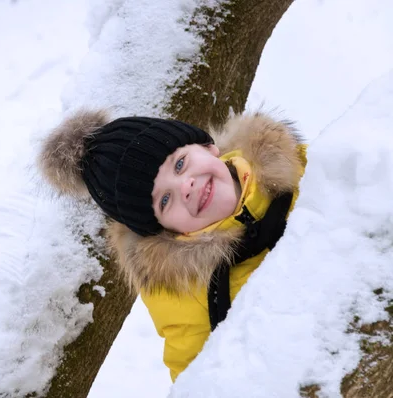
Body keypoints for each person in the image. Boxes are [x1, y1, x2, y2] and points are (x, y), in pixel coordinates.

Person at [37, 109, 307, 381]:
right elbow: (198, 382)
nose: (186, 186)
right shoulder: (185, 296)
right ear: (165, 231)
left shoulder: (300, 171)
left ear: (207, 146)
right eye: (165, 200)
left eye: (179, 164)